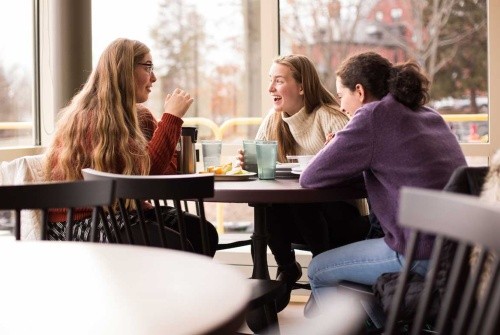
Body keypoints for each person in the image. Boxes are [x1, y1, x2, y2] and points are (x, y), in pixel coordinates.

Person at [300, 51, 467, 316]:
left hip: (419, 253)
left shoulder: (372, 116)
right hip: (461, 251)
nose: (341, 106)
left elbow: (311, 177)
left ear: (360, 91)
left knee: (318, 269)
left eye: (341, 96)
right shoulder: (426, 114)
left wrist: (334, 144)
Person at [43, 38, 218, 256]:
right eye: (148, 67)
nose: (153, 77)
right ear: (124, 70)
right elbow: (142, 180)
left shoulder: (138, 116)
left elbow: (166, 172)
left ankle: (179, 290)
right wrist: (171, 118)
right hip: (83, 220)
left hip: (122, 213)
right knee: (176, 245)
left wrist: (167, 128)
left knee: (203, 232)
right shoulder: (89, 119)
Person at [239, 54, 370, 311]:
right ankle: (287, 268)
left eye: (278, 81)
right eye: (270, 81)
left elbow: (358, 173)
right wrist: (251, 163)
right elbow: (261, 166)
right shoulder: (273, 120)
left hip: (341, 217)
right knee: (266, 204)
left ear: (301, 86)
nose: (270, 89)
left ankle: (322, 274)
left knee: (303, 198)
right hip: (300, 218)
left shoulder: (329, 116)